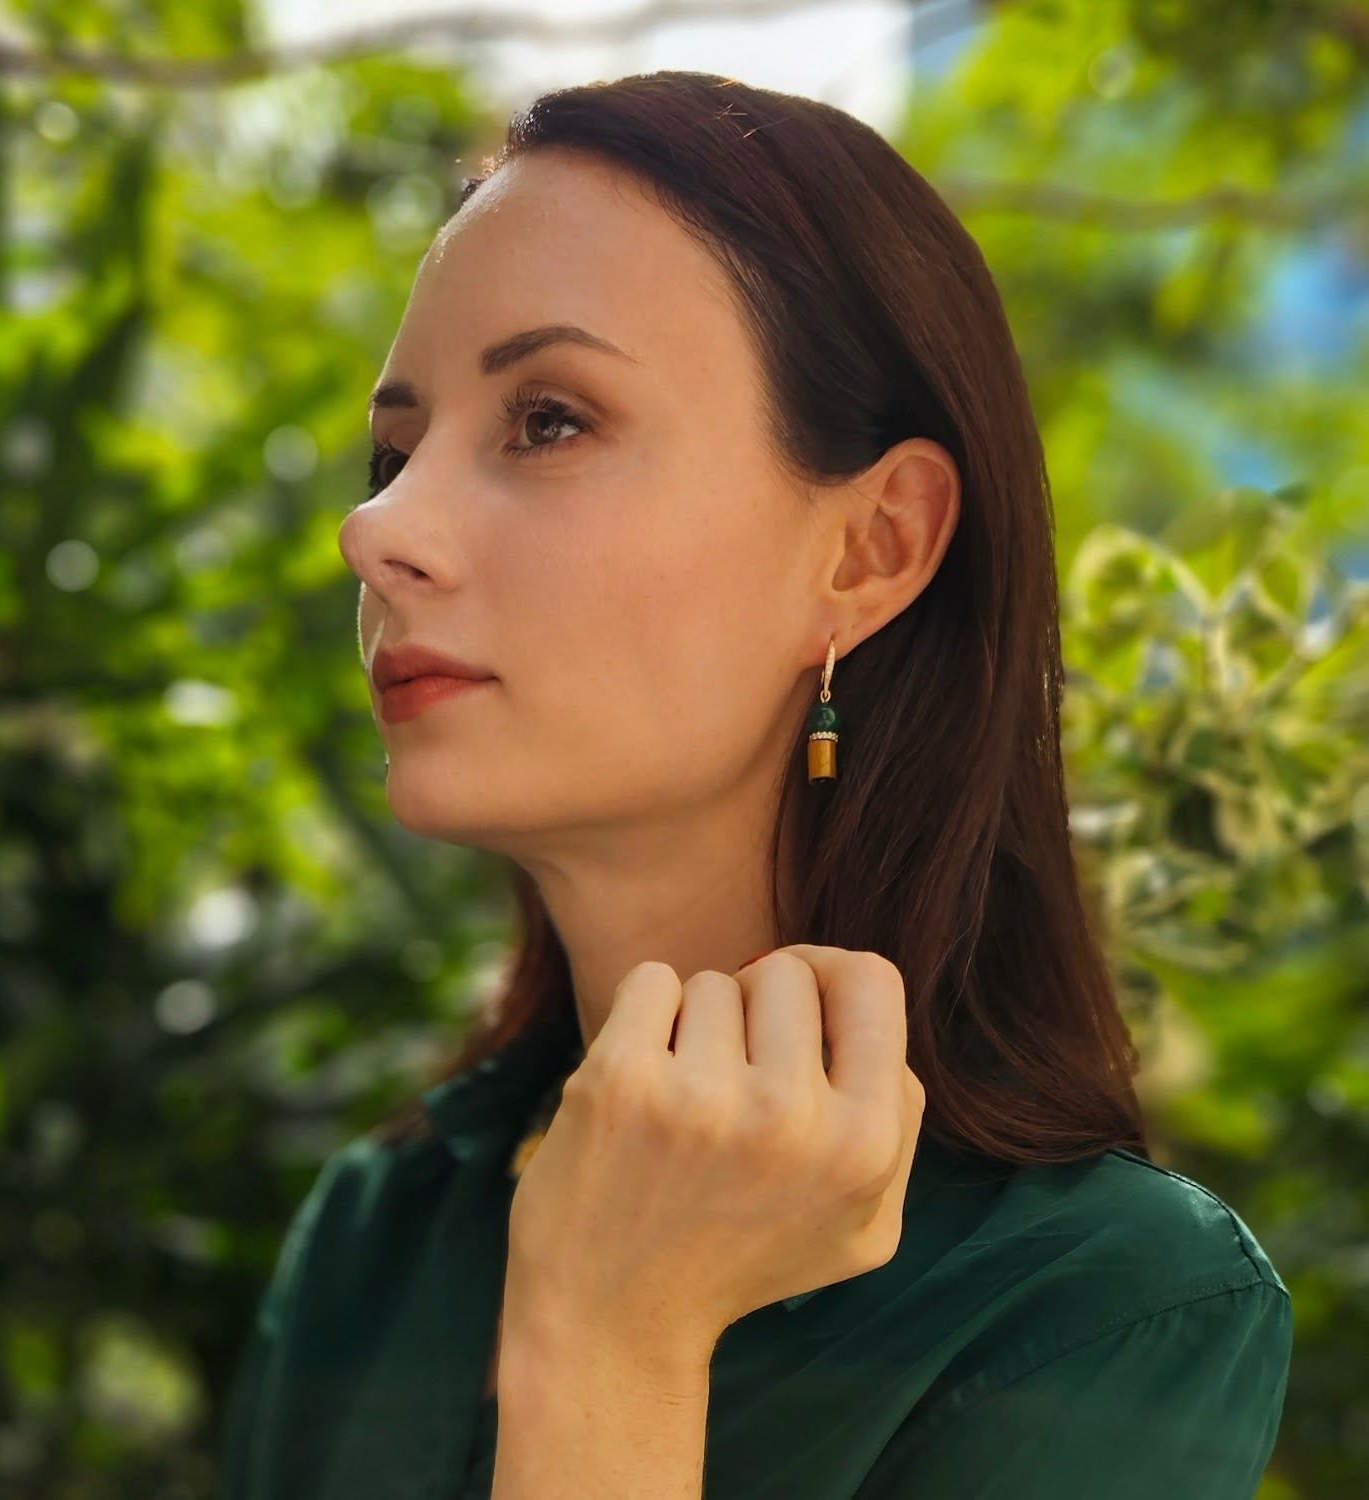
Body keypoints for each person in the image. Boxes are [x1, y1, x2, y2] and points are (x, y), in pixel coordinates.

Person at [217, 70, 1292, 1500]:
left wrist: (613, 1342)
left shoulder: (1104, 1311)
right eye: (394, 452)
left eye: (549, 419)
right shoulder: (383, 1230)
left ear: (871, 548)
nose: (377, 528)